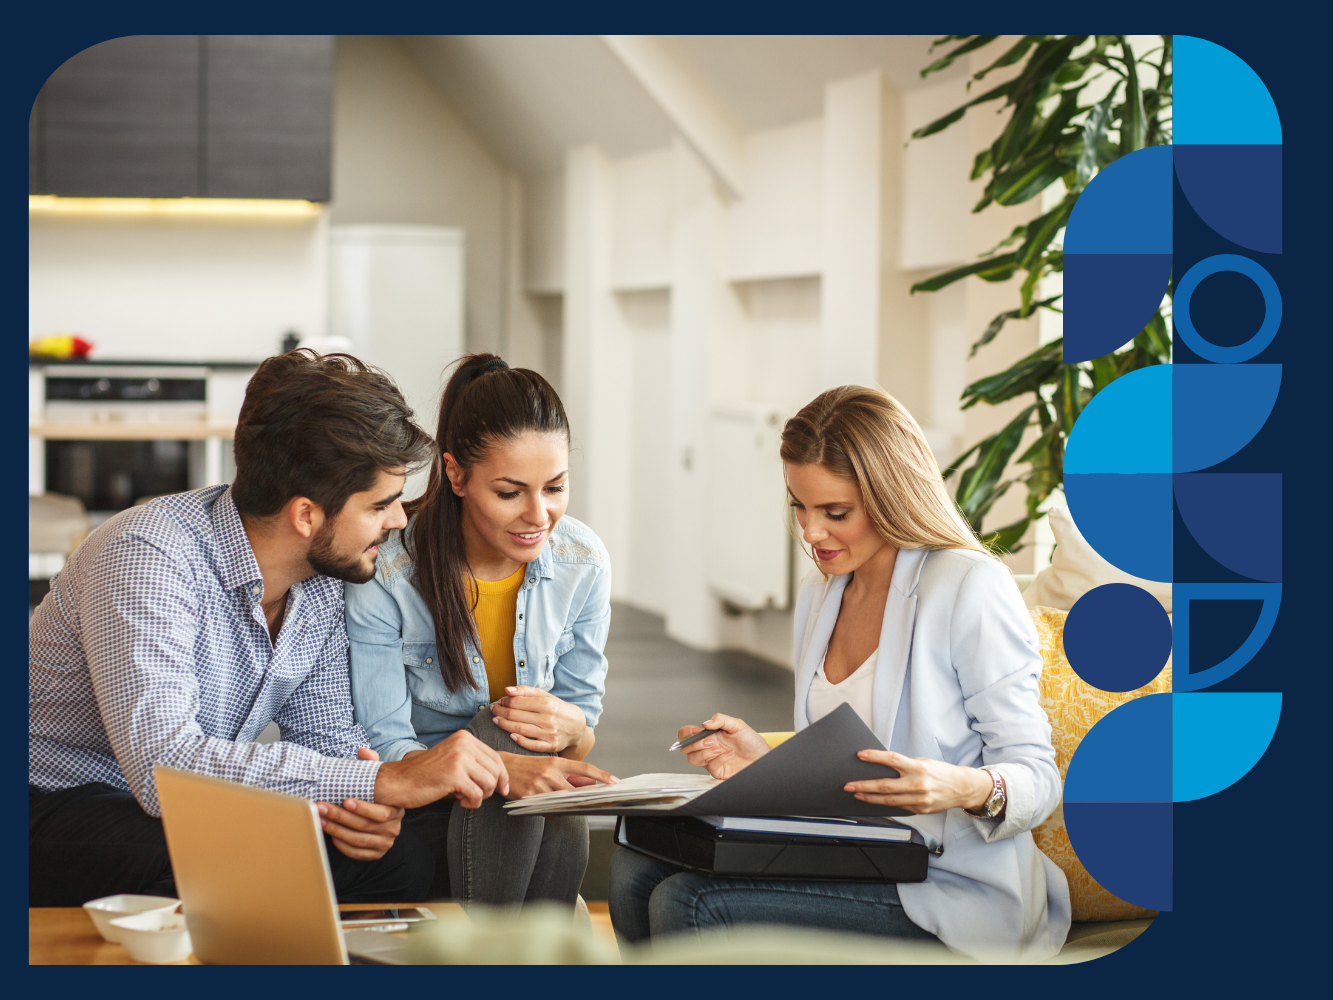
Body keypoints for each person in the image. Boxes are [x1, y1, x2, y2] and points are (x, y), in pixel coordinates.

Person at [29, 351, 511, 907]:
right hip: (53, 801)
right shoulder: (148, 555)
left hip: (184, 807)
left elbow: (327, 740)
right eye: (381, 504)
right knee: (218, 859)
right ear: (306, 515)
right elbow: (164, 767)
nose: (399, 520)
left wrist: (358, 810)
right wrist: (379, 784)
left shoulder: (324, 581)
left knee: (395, 863)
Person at [608, 385, 1071, 961]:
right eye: (799, 505)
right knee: (632, 868)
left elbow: (1038, 778)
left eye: (835, 513)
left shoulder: (968, 586)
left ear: (891, 497)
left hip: (948, 886)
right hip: (857, 856)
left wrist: (962, 787)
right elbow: (847, 760)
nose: (810, 532)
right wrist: (764, 759)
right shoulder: (821, 594)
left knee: (690, 901)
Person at [345, 353, 615, 907]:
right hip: (427, 802)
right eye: (510, 493)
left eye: (556, 488)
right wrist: (502, 767)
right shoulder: (390, 571)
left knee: (547, 788)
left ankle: (506, 958)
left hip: (527, 804)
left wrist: (569, 728)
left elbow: (580, 733)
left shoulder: (582, 561)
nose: (539, 515)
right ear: (456, 475)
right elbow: (384, 744)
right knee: (498, 733)